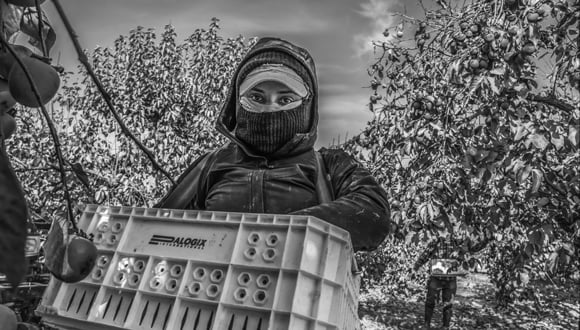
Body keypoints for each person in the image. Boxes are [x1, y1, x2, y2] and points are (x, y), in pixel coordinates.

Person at [154, 37, 391, 251]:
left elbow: (372, 213)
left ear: (307, 107)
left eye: (286, 99)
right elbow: (155, 229)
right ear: (238, 104)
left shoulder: (331, 165)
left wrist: (281, 232)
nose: (270, 108)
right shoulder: (212, 165)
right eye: (256, 98)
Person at [413, 229, 489, 329]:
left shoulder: (457, 243)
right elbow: (426, 254)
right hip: (436, 277)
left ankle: (445, 326)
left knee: (448, 303)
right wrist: (416, 266)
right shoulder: (436, 241)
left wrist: (486, 239)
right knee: (430, 301)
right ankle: (426, 324)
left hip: (450, 278)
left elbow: (472, 248)